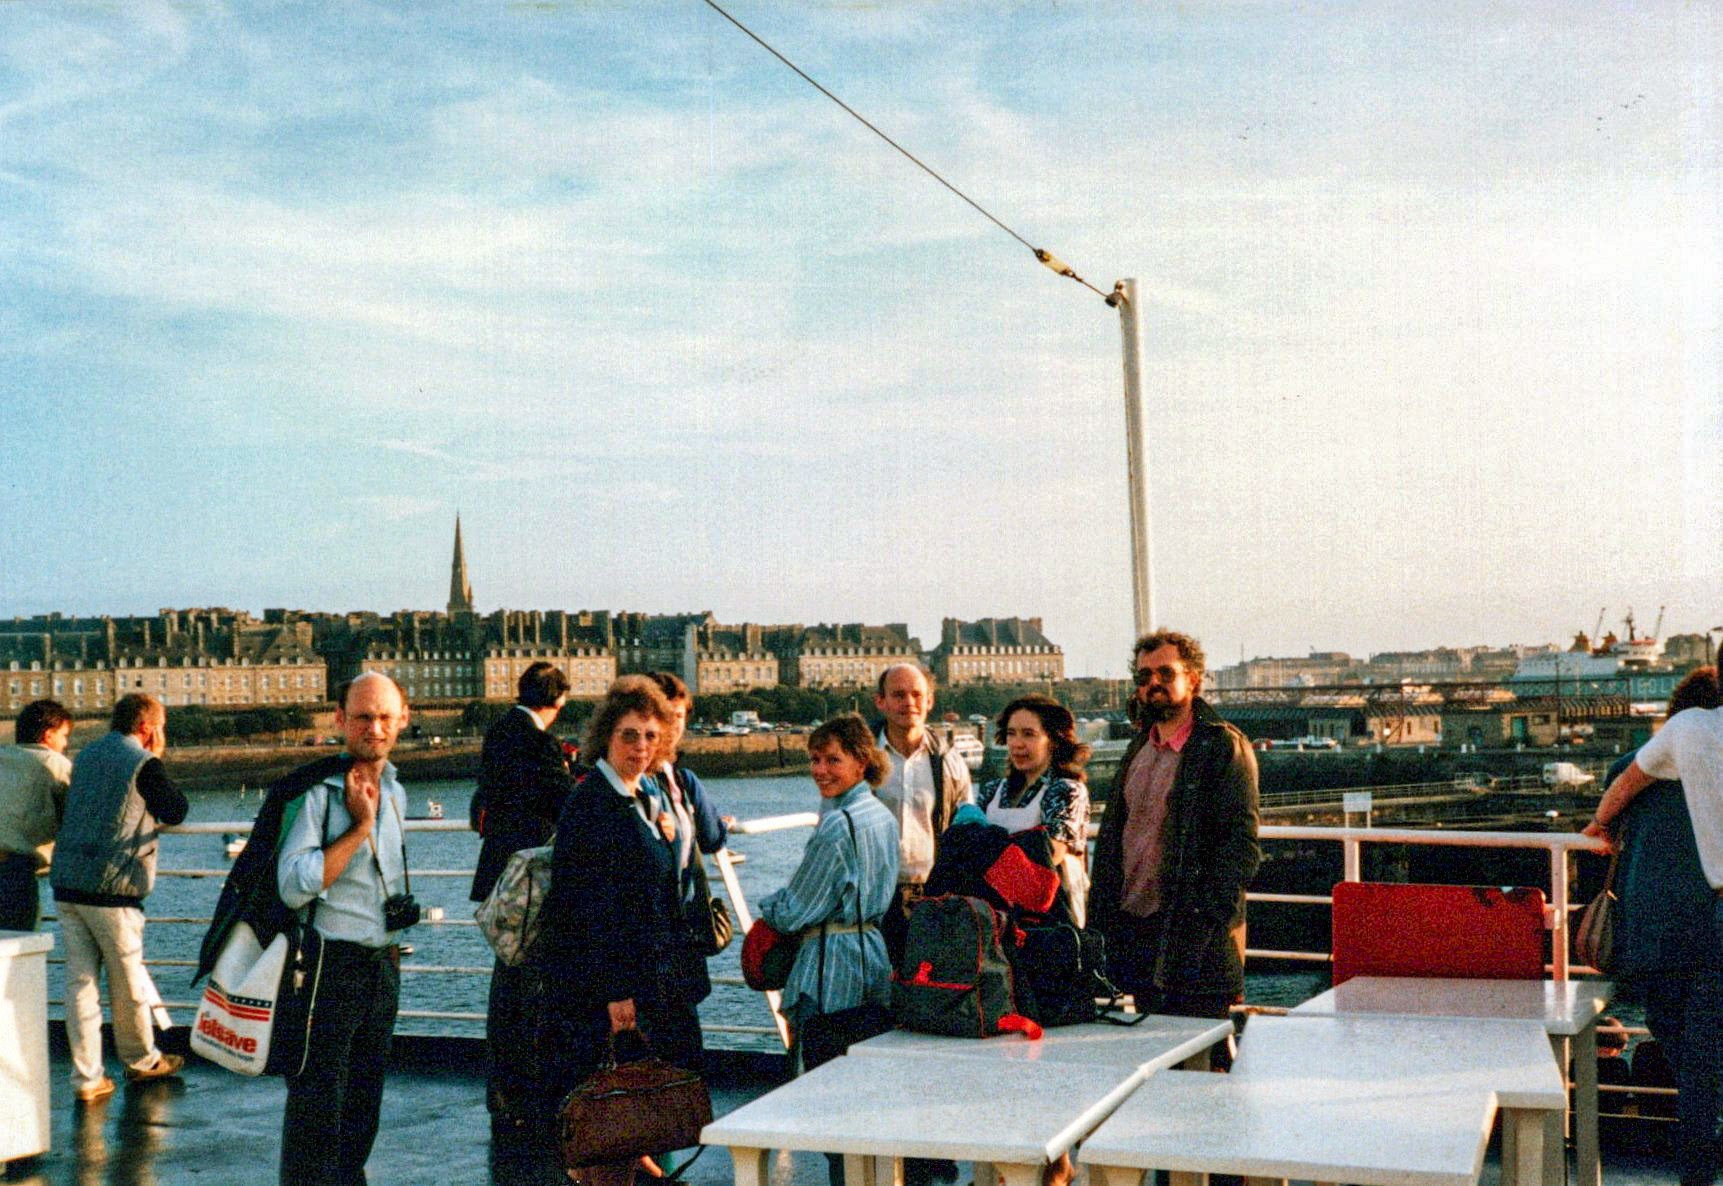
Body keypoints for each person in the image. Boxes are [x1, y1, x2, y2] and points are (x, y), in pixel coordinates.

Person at [539, 676, 708, 1165]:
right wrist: (614, 992)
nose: (641, 746)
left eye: (651, 736)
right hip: (614, 986)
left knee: (648, 1100)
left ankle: (644, 1163)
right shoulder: (592, 804)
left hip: (652, 975)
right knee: (614, 1111)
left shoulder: (642, 795)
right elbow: (584, 908)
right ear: (607, 737)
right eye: (629, 735)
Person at [276, 673, 416, 1186]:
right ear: (340, 720)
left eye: (384, 717)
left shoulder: (395, 789)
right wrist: (359, 829)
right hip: (327, 969)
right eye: (362, 717)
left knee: (362, 1113)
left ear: (403, 719)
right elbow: (292, 886)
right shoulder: (319, 794)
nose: (374, 728)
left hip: (382, 965)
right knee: (317, 1115)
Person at [1585, 665, 1722, 1186]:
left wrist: (1600, 824)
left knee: (1679, 1038)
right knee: (1702, 1054)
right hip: (1707, 920)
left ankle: (1699, 1153)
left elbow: (1616, 797)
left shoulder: (1657, 751)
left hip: (1654, 929)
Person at [1089, 630, 1261, 1030]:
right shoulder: (1139, 748)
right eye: (1144, 676)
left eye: (1166, 673)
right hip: (1136, 932)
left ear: (1193, 680)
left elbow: (1241, 847)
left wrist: (1205, 922)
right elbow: (1117, 840)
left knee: (1199, 1054)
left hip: (1192, 938)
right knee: (1152, 1049)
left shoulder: (1220, 746)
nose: (1154, 683)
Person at [756, 713, 898, 1186]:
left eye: (832, 760)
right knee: (867, 1098)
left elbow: (796, 908)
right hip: (872, 957)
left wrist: (768, 907)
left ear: (861, 762)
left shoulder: (838, 826)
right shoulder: (882, 815)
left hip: (831, 968)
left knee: (831, 1101)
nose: (820, 770)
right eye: (815, 759)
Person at [50, 693, 188, 1103]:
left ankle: (87, 1078)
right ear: (148, 727)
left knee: (80, 985)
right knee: (127, 984)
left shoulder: (87, 755)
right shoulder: (143, 762)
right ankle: (142, 1060)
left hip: (69, 883)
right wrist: (157, 757)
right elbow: (176, 810)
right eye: (161, 727)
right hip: (112, 890)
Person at [469, 661, 578, 1140]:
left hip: (501, 872)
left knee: (507, 987)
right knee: (528, 992)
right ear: (559, 700)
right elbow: (565, 803)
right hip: (529, 881)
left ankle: (505, 1098)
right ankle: (525, 1098)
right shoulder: (539, 742)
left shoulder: (499, 732)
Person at [872, 663, 973, 964]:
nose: (909, 703)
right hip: (876, 894)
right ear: (881, 701)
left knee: (931, 982)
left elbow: (966, 827)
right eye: (898, 695)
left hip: (934, 893)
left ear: (929, 701)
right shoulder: (863, 759)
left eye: (917, 694)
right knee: (879, 983)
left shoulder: (949, 761)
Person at [976, 694, 1092, 925]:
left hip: (1050, 920)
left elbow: (1048, 857)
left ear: (1053, 740)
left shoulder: (1065, 791)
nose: (1017, 743)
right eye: (1011, 733)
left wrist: (986, 852)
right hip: (996, 919)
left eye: (1028, 734)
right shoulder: (992, 791)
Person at [645, 672, 732, 953]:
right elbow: (712, 838)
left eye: (679, 716)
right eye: (666, 716)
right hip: (654, 931)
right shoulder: (681, 782)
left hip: (677, 926)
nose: (673, 725)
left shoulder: (680, 780)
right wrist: (723, 825)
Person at [0, 699, 72, 931]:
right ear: (49, 735)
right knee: (19, 943)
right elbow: (78, 815)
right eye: (64, 735)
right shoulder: (55, 763)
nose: (65, 743)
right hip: (15, 871)